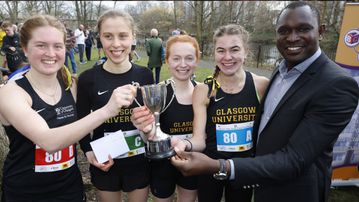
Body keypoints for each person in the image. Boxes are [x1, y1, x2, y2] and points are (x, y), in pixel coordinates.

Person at [171, 2, 359, 202]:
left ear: (246, 52)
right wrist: (185, 144)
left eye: (235, 49)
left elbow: (295, 156)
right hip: (221, 166)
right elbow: (200, 137)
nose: (227, 57)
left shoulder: (265, 84)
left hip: (258, 173)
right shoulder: (281, 71)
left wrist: (225, 166)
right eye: (221, 50)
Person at [0, 14, 138, 201]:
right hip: (26, 192)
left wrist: (90, 153)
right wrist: (107, 110)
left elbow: (80, 128)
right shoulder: (10, 93)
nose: (50, 53)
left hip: (70, 188)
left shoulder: (71, 85)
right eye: (41, 45)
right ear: (25, 48)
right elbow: (48, 142)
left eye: (58, 46)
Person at [77, 10, 154, 202]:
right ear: (99, 38)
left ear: (133, 38)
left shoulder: (145, 75)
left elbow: (152, 119)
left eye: (123, 36)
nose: (116, 44)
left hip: (139, 162)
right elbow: (81, 121)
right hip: (106, 163)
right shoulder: (88, 79)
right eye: (108, 36)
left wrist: (148, 127)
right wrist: (88, 151)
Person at [131, 34, 201, 202]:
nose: (183, 64)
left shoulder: (203, 91)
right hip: (162, 165)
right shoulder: (158, 92)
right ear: (167, 61)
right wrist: (146, 130)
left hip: (191, 160)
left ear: (197, 60)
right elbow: (147, 135)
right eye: (176, 58)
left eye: (189, 58)